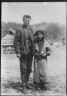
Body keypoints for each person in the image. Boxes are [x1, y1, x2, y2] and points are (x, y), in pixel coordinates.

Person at [14, 15, 34, 94]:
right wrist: (18, 52)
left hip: (30, 52)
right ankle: (23, 86)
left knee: (29, 68)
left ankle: (27, 83)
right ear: (23, 21)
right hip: (23, 52)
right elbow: (16, 42)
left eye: (29, 21)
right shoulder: (19, 29)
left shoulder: (31, 29)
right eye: (26, 21)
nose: (27, 22)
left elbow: (33, 41)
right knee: (23, 69)